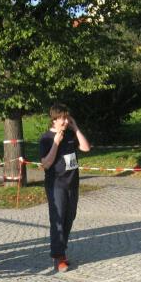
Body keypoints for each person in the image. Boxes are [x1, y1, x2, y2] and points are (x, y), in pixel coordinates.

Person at [39, 103, 91, 272]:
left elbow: (85, 148)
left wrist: (76, 129)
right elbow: (46, 164)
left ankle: (61, 250)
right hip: (56, 185)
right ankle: (58, 256)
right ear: (54, 120)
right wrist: (56, 143)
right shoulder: (46, 138)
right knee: (58, 220)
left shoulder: (70, 134)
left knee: (70, 217)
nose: (65, 121)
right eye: (62, 118)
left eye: (67, 118)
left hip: (72, 184)